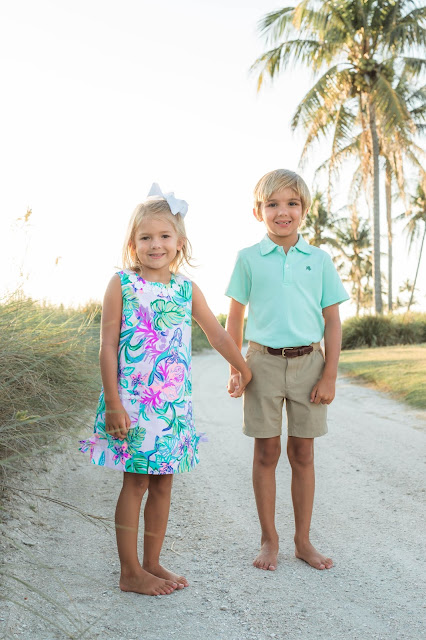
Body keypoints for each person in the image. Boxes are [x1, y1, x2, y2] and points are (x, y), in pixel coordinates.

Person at [80, 183, 251, 596]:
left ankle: (152, 561)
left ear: (179, 243)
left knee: (163, 483)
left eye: (164, 236)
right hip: (132, 405)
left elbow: (219, 335)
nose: (155, 244)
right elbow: (106, 347)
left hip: (172, 408)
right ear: (132, 243)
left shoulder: (186, 290)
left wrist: (242, 367)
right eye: (145, 237)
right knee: (135, 482)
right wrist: (114, 404)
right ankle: (130, 571)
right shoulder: (121, 284)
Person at [225, 169, 349, 572]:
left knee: (303, 453)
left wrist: (329, 373)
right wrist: (236, 367)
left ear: (304, 210)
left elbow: (332, 321)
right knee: (266, 452)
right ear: (258, 210)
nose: (283, 212)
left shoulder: (320, 260)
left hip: (309, 364)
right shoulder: (247, 259)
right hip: (261, 363)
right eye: (273, 204)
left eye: (291, 203)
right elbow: (235, 320)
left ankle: (302, 540)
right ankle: (269, 539)